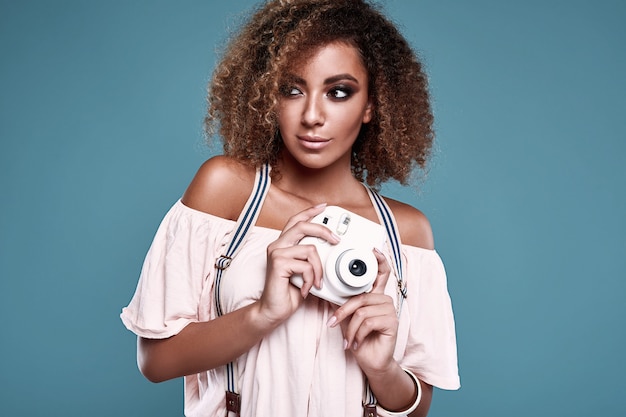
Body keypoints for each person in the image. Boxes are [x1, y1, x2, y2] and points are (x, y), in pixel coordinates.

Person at [121, 0, 460, 416]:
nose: (312, 115)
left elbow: (418, 405)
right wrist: (262, 314)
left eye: (339, 92)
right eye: (292, 89)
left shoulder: (405, 233)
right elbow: (155, 361)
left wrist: (382, 367)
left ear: (372, 105)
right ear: (268, 95)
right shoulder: (226, 191)